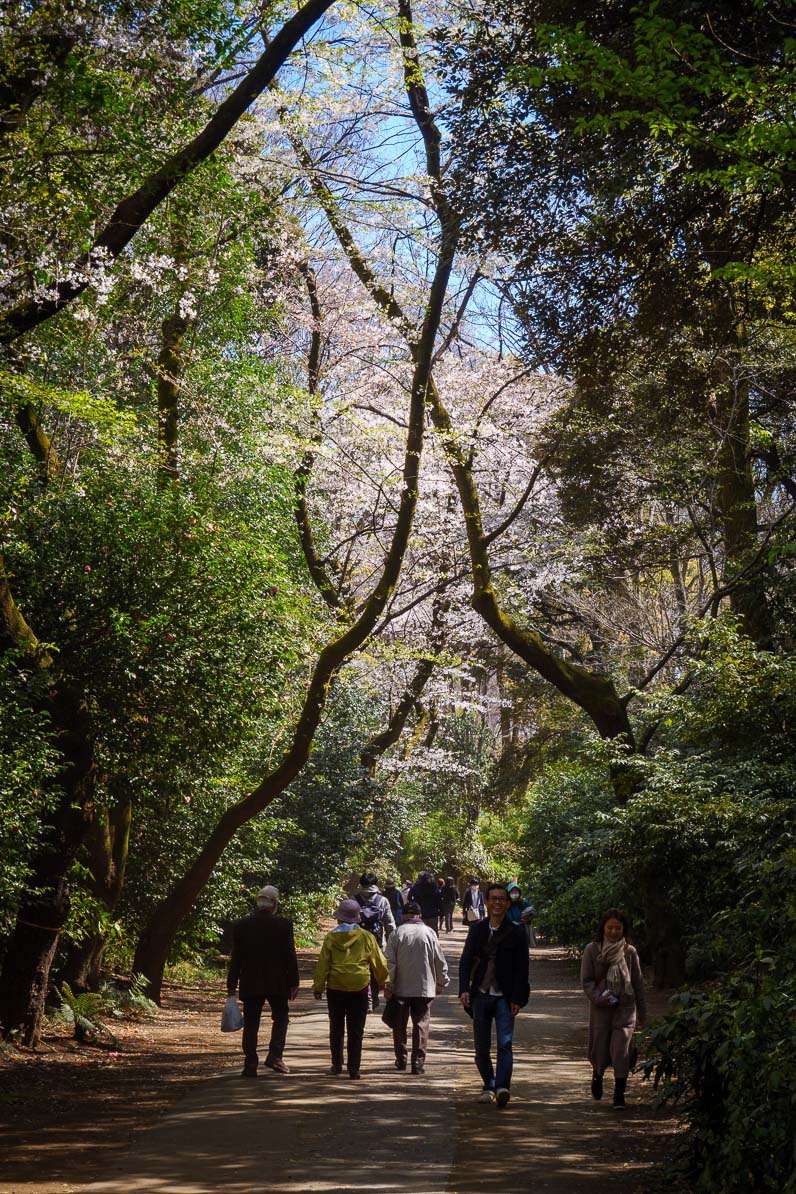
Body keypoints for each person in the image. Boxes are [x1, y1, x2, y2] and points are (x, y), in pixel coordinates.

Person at [459, 882, 530, 1108]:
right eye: (494, 899)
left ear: (508, 903)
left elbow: (522, 968)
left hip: (504, 997)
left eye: (502, 899)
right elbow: (465, 961)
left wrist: (518, 998)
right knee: (481, 1048)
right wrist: (463, 989)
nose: (497, 902)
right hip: (480, 994)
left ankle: (502, 1087)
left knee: (504, 1044)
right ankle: (488, 1085)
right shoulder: (477, 930)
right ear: (487, 902)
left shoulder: (517, 932)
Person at [226, 885, 300, 1077]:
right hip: (278, 981)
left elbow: (237, 959)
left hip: (251, 981)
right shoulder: (284, 925)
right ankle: (275, 1055)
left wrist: (231, 986)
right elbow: (289, 956)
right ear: (274, 904)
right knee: (281, 1017)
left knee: (251, 1022)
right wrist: (294, 982)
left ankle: (250, 1062)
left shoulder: (242, 925)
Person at [313, 898, 389, 1079]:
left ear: (339, 919)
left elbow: (323, 964)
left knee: (336, 1027)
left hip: (335, 987)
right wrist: (383, 980)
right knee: (356, 1029)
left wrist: (318, 986)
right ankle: (354, 1069)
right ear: (357, 918)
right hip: (360, 987)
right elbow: (379, 961)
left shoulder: (331, 937)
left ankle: (337, 1064)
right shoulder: (366, 937)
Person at [580, 908, 647, 1108]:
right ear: (603, 928)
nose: (614, 932)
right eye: (610, 928)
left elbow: (638, 983)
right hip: (601, 1008)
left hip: (625, 1007)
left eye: (618, 928)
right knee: (600, 1048)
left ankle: (619, 1094)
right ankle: (597, 1074)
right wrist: (599, 997)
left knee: (622, 1050)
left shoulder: (630, 952)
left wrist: (642, 1013)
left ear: (624, 930)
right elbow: (587, 981)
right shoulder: (592, 949)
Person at [384, 901, 449, 1074]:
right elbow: (439, 960)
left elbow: (389, 962)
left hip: (400, 989)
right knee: (421, 1024)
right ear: (419, 915)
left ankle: (401, 1058)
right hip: (424, 988)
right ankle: (418, 1062)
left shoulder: (397, 933)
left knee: (399, 1024)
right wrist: (441, 982)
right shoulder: (430, 933)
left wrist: (388, 985)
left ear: (404, 916)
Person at [355, 872, 396, 1009]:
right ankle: (373, 998)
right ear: (375, 884)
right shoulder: (382, 900)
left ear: (361, 884)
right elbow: (390, 924)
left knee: (361, 969)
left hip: (357, 942)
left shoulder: (353, 900)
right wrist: (393, 942)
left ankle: (365, 1000)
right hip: (378, 942)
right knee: (375, 971)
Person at [408, 870, 443, 935]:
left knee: (420, 934)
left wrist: (415, 905)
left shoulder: (415, 886)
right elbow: (439, 900)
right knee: (433, 933)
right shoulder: (434, 887)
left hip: (420, 914)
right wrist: (441, 912)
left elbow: (409, 897)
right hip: (432, 914)